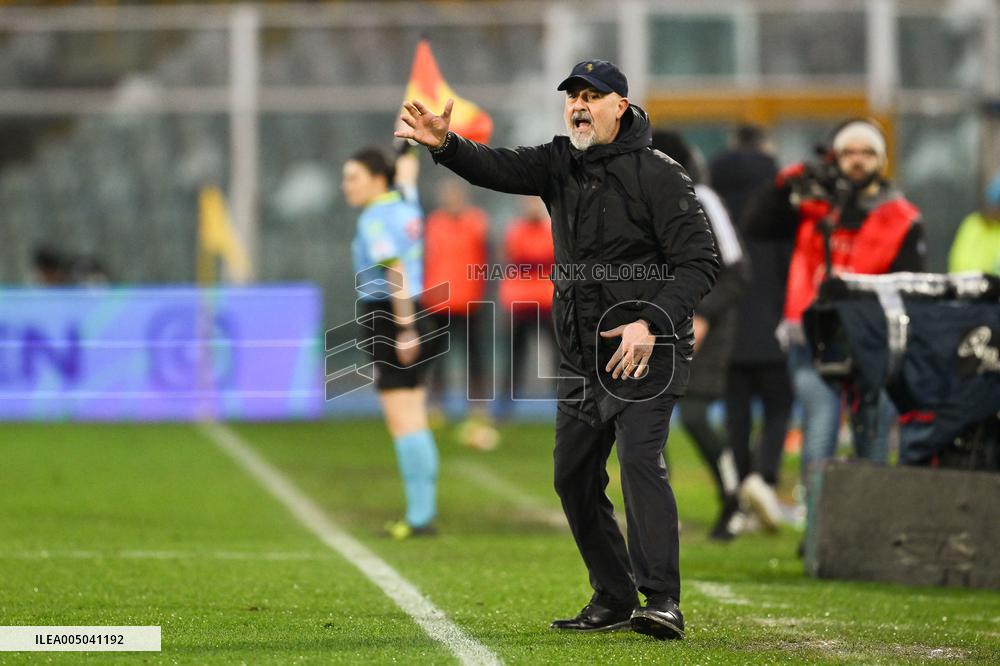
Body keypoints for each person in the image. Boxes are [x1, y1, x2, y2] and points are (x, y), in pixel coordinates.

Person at [396, 59, 719, 641]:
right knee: (572, 476)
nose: (578, 105)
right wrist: (445, 146)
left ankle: (662, 599)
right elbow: (495, 167)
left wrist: (650, 321)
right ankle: (615, 594)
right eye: (573, 96)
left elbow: (700, 262)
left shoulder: (660, 174)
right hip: (581, 352)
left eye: (592, 96)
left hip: (647, 349)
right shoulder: (557, 162)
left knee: (640, 463)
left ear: (621, 105)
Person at [771, 119, 925, 526]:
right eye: (848, 153)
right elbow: (757, 224)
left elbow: (909, 286)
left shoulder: (902, 216)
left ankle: (869, 529)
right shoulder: (814, 205)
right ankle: (819, 529)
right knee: (819, 428)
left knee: (872, 435)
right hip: (814, 336)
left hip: (873, 340)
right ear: (835, 157)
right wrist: (790, 181)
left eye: (867, 153)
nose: (857, 161)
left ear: (882, 160)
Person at [651, 130, 750, 541]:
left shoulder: (703, 200)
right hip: (661, 322)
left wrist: (704, 314)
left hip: (706, 325)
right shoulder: (646, 202)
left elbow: (738, 272)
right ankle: (657, 514)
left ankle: (733, 500)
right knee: (646, 421)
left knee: (694, 417)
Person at [342, 147, 440, 540]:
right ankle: (423, 511)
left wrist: (403, 329)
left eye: (353, 177)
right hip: (419, 308)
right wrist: (409, 145)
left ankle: (419, 517)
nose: (346, 186)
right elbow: (409, 174)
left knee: (404, 421)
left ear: (377, 179)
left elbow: (394, 268)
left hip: (391, 316)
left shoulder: (375, 219)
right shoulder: (405, 201)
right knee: (414, 415)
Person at [710, 125, 791, 532]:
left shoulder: (712, 204)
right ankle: (765, 477)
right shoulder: (780, 207)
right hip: (773, 326)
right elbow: (788, 270)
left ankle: (742, 493)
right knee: (778, 408)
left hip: (727, 328)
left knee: (736, 417)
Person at [420, 177, 498, 449]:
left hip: (469, 300)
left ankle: (477, 407)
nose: (451, 200)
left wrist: (484, 292)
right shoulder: (432, 223)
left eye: (455, 195)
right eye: (447, 195)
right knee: (435, 358)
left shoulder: (477, 222)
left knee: (474, 358)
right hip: (437, 301)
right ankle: (435, 406)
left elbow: (488, 259)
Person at [496, 196, 556, 419]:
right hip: (520, 302)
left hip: (547, 301)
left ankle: (564, 405)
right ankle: (504, 406)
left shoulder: (551, 229)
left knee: (558, 356)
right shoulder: (516, 231)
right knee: (514, 358)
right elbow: (518, 259)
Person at [949, 171, 1000, 275]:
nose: (992, 211)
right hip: (966, 286)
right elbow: (957, 260)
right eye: (990, 206)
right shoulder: (972, 224)